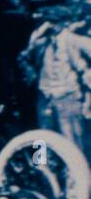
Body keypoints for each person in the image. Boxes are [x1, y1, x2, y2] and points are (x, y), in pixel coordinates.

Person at [21, 10, 91, 152]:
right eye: (49, 21)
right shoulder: (41, 41)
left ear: (64, 23)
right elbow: (26, 55)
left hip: (67, 96)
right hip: (45, 95)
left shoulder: (72, 39)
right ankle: (41, 168)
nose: (52, 25)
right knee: (41, 137)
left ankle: (74, 172)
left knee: (71, 139)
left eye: (55, 21)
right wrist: (38, 34)